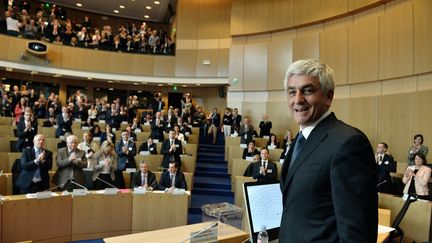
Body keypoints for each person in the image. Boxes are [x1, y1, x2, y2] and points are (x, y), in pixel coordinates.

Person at [279, 59, 377, 242]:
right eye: (292, 92)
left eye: (307, 91)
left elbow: (357, 234)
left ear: (328, 96)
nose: (298, 99)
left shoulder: (349, 143)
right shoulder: (300, 140)